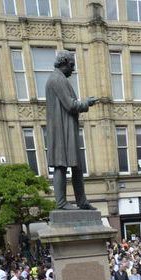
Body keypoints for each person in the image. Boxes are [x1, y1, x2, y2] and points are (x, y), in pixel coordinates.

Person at [45, 51, 98, 209]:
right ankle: (61, 203)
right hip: (62, 130)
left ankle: (81, 201)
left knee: (77, 166)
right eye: (72, 65)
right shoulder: (56, 79)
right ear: (65, 62)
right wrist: (86, 103)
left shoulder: (58, 79)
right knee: (61, 165)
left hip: (67, 128)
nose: (73, 69)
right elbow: (71, 105)